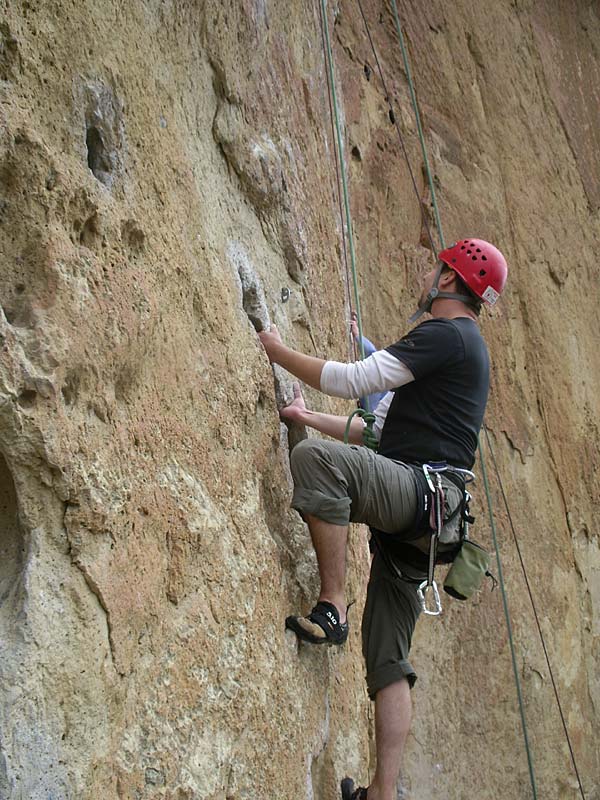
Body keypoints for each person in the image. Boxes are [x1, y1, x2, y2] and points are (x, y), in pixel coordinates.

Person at [258, 239, 508, 800]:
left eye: (433, 267)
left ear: (448, 279)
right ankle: (383, 794)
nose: (425, 275)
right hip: (433, 523)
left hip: (418, 494)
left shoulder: (445, 334)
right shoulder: (465, 348)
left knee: (314, 462)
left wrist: (276, 350)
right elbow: (374, 432)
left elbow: (354, 382)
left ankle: (333, 604)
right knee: (388, 656)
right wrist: (307, 415)